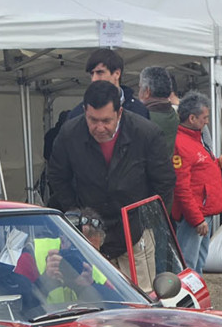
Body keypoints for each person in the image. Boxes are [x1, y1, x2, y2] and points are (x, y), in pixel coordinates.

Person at [46, 81, 175, 288]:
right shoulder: (69, 134)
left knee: (141, 295)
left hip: (135, 231)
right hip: (89, 232)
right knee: (94, 295)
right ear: (85, 111)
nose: (99, 128)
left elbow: (165, 182)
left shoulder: (147, 133)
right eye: (93, 120)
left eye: (106, 120)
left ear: (119, 113)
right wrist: (76, 213)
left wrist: (148, 222)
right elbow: (57, 176)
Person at [172, 91, 222, 275]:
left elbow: (211, 167)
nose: (207, 122)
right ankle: (187, 295)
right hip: (195, 217)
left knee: (197, 263)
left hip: (202, 214)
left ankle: (197, 293)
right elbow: (181, 187)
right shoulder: (182, 143)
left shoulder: (197, 139)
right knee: (188, 266)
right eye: (205, 118)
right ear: (192, 118)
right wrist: (196, 219)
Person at [138, 66, 179, 155]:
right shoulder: (179, 117)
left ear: (147, 92)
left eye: (140, 88)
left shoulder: (140, 119)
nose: (139, 93)